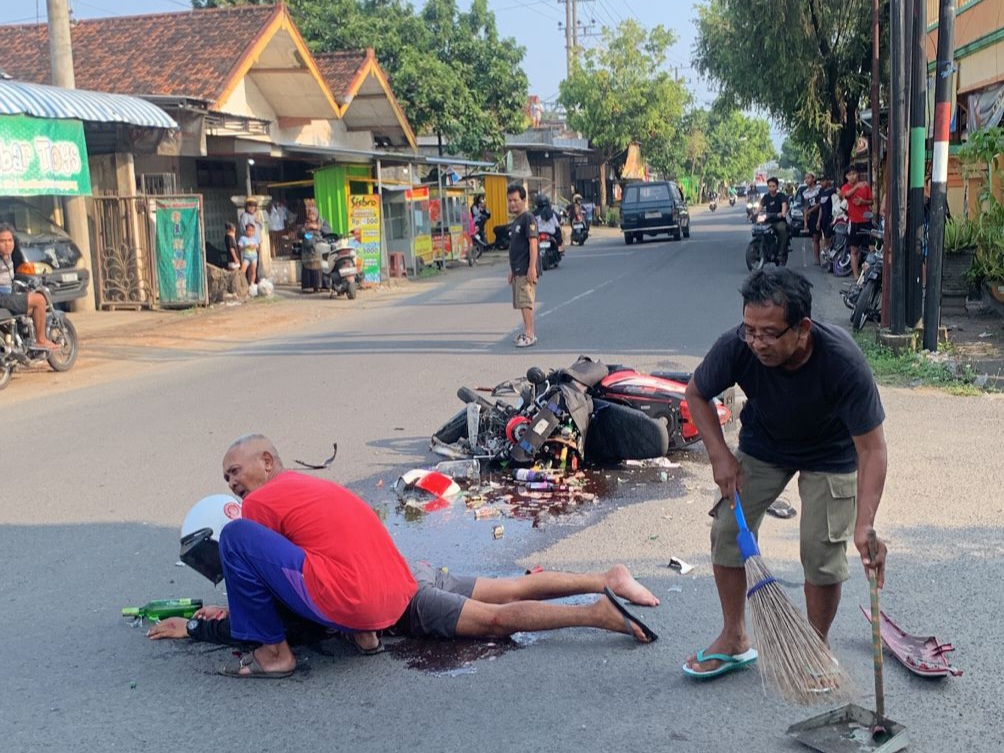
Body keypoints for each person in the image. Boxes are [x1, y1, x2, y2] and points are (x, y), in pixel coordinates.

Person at [215, 434, 658, 678]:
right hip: (403, 572)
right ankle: (605, 578)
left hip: (396, 598)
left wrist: (228, 622)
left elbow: (282, 585)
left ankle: (594, 613)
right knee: (509, 587)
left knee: (494, 619)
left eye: (235, 471)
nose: (232, 483)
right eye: (226, 478)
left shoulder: (261, 502)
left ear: (267, 461)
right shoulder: (310, 486)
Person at [681, 268, 888, 682]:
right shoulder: (737, 346)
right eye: (750, 330)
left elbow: (872, 449)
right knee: (727, 530)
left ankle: (815, 646)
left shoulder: (842, 361)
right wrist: (720, 456)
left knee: (821, 550)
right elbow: (696, 393)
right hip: (765, 443)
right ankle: (735, 637)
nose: (758, 343)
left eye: (770, 334)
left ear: (803, 328)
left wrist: (865, 523)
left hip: (830, 452)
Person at [0, 224, 59, 350]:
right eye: (3, 241)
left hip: (9, 293)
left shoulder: (11, 255)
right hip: (3, 297)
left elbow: (15, 275)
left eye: (10, 240)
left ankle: (24, 341)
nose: (7, 244)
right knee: (40, 300)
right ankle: (41, 340)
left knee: (34, 310)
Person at [506, 183, 539, 348]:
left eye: (515, 200)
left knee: (526, 302)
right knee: (521, 301)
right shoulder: (516, 220)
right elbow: (515, 248)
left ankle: (529, 334)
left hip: (526, 269)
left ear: (524, 200)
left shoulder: (528, 218)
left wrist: (532, 267)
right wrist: (512, 270)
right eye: (509, 200)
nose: (512, 204)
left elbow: (533, 243)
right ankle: (527, 331)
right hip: (518, 269)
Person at [840, 166, 874, 279]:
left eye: (854, 173)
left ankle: (870, 273)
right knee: (854, 249)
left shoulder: (865, 186)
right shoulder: (845, 187)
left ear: (857, 174)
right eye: (849, 174)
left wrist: (863, 202)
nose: (852, 176)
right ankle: (855, 275)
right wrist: (856, 187)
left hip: (866, 220)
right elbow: (846, 195)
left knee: (872, 248)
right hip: (854, 222)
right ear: (846, 177)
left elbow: (871, 201)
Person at [299, 206, 331, 293]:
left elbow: (329, 231)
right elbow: (300, 234)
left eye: (313, 214)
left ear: (317, 214)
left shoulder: (322, 222)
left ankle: (324, 286)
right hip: (308, 252)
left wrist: (317, 227)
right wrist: (306, 229)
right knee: (310, 267)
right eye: (310, 214)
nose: (312, 216)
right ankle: (311, 286)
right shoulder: (306, 223)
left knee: (321, 267)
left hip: (320, 249)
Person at [758, 177, 789, 260]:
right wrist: (753, 214)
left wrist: (782, 213)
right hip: (768, 221)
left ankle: (780, 252)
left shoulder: (781, 196)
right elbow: (759, 208)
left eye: (773, 186)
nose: (771, 188)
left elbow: (784, 205)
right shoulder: (766, 197)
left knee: (782, 229)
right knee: (758, 230)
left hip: (779, 221)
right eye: (769, 186)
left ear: (777, 187)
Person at [801, 172, 822, 264]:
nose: (807, 180)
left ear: (813, 178)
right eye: (805, 178)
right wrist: (805, 221)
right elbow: (805, 207)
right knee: (815, 237)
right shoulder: (805, 193)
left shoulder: (819, 189)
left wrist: (811, 210)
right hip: (812, 217)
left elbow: (821, 203)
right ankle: (817, 259)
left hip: (821, 213)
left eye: (808, 178)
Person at [817, 175, 837, 260]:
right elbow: (821, 207)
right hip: (824, 217)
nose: (821, 183)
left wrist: (834, 218)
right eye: (821, 181)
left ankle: (831, 254)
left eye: (823, 181)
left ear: (828, 181)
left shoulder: (833, 191)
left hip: (831, 217)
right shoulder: (821, 191)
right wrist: (818, 221)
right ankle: (826, 254)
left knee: (830, 236)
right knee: (824, 236)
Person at [237, 222, 259, 287]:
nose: (250, 232)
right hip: (246, 258)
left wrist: (254, 247)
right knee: (242, 272)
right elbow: (240, 248)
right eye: (249, 230)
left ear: (254, 232)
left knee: (253, 271)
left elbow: (257, 248)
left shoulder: (255, 239)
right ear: (246, 231)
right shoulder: (243, 238)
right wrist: (246, 246)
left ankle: (252, 285)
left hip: (254, 257)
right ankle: (242, 284)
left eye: (252, 231)